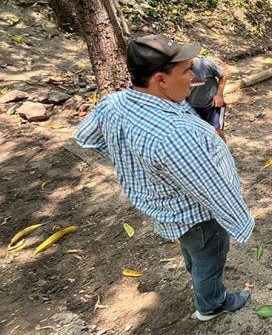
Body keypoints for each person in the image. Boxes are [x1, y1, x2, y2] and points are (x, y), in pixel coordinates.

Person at [75, 35, 254, 321]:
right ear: (160, 79)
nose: (194, 76)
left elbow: (86, 136)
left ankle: (200, 281)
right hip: (199, 215)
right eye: (186, 71)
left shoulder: (113, 104)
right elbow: (211, 190)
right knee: (209, 258)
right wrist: (241, 220)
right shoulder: (173, 135)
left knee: (193, 253)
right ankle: (212, 304)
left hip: (167, 210)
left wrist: (133, 161)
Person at [187, 57, 230, 140]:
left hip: (213, 105)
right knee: (200, 135)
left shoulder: (205, 64)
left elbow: (224, 76)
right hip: (194, 107)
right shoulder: (179, 70)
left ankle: (225, 152)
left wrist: (219, 95)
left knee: (217, 133)